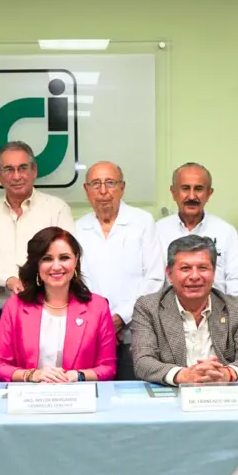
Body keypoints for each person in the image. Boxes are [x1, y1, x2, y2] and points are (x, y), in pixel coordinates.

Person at [0, 141, 73, 377]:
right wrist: (8, 279)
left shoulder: (56, 209)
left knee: (48, 379)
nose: (16, 176)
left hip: (45, 313)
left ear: (34, 171)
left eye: (23, 168)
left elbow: (69, 260)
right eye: (8, 169)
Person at [130, 234, 238, 385]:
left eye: (203, 268)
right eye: (185, 268)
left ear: (214, 273)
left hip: (224, 394)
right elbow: (143, 361)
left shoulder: (236, 307)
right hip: (174, 396)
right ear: (169, 274)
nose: (194, 276)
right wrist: (184, 376)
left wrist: (226, 374)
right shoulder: (148, 307)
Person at [73, 161, 162, 378]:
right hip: (89, 334)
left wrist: (120, 317)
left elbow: (155, 278)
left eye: (110, 183)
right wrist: (101, 323)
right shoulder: (77, 228)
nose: (103, 191)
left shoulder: (142, 222)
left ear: (122, 188)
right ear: (86, 190)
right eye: (95, 184)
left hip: (135, 334)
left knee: (133, 398)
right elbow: (75, 282)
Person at [0, 227, 117, 382]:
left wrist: (77, 375)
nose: (57, 266)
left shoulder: (98, 307)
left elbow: (108, 368)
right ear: (36, 264)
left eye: (64, 258)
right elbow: (0, 366)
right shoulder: (15, 306)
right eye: (47, 259)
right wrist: (33, 375)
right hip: (29, 399)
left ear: (76, 259)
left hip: (79, 399)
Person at [154, 163, 238, 298]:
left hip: (218, 314)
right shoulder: (157, 231)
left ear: (209, 193)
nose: (192, 196)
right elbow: (152, 284)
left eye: (198, 189)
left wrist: (231, 316)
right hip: (168, 315)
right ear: (173, 193)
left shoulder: (226, 232)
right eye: (185, 188)